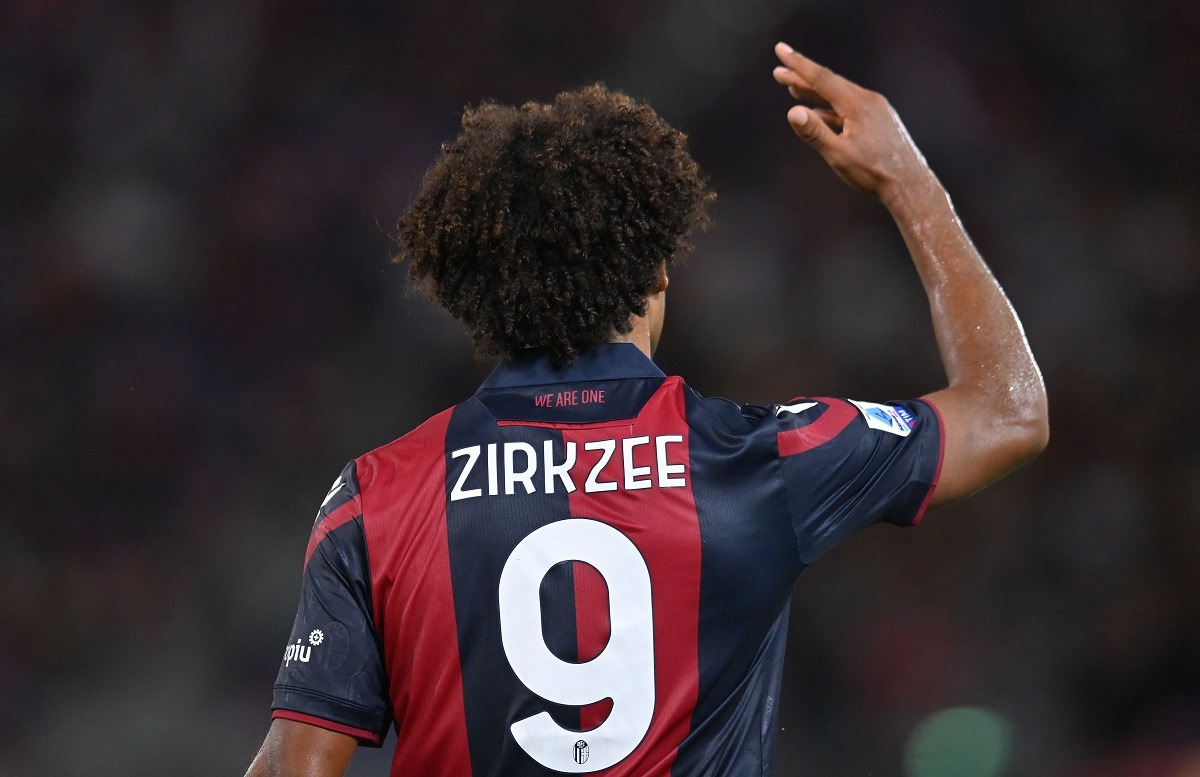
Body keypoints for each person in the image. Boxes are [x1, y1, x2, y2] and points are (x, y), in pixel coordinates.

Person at [245, 42, 1048, 777]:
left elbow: (295, 769)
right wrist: (907, 180)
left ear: (475, 294)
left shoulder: (375, 497)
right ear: (658, 269)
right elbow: (1008, 413)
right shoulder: (757, 459)